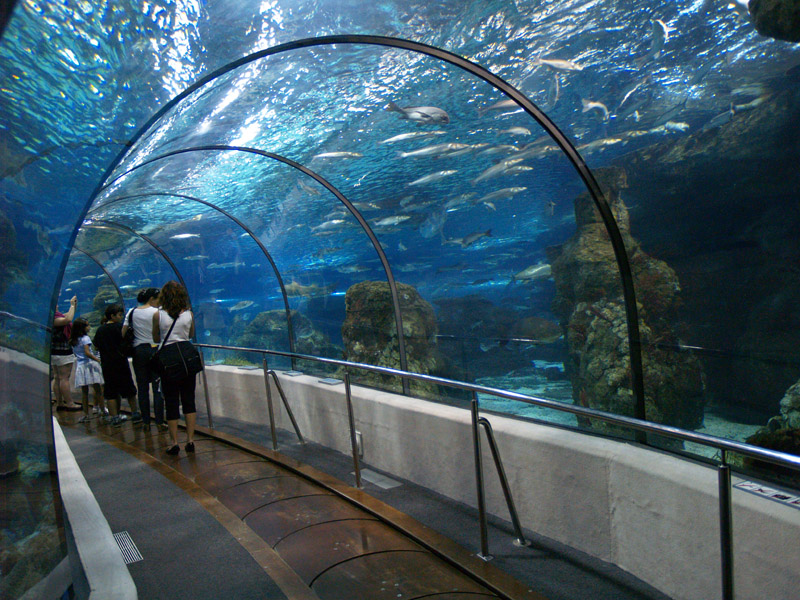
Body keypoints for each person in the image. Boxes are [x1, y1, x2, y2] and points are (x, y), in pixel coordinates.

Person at [152, 281, 197, 455]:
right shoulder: (189, 314)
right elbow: (191, 335)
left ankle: (174, 442)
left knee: (171, 399)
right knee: (188, 399)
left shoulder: (158, 315)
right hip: (187, 358)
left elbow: (156, 338)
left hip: (169, 359)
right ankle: (191, 440)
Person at [122, 288, 165, 429]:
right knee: (157, 387)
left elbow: (123, 332)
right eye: (158, 299)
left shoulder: (132, 312)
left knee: (142, 388)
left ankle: (146, 422)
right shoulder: (157, 312)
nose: (159, 302)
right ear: (152, 299)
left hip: (138, 351)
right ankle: (159, 422)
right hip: (155, 350)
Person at [94, 304, 140, 426]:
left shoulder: (100, 330)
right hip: (121, 363)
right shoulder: (120, 328)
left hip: (107, 365)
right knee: (129, 389)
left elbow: (96, 346)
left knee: (111, 392)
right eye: (119, 315)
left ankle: (114, 417)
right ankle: (135, 413)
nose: (120, 317)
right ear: (112, 315)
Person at [69, 318, 104, 423]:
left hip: (80, 366)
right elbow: (87, 352)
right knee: (98, 390)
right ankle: (103, 411)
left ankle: (85, 414)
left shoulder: (73, 340)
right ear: (82, 328)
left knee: (84, 393)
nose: (89, 327)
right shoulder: (86, 338)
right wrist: (98, 360)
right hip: (89, 366)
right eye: (87, 325)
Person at [52, 295, 80, 410]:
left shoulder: (54, 317)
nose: (57, 305)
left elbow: (68, 316)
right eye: (55, 304)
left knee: (57, 377)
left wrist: (73, 306)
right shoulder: (54, 319)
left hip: (54, 352)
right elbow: (68, 320)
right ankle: (69, 403)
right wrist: (72, 305)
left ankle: (59, 403)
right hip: (62, 352)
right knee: (64, 378)